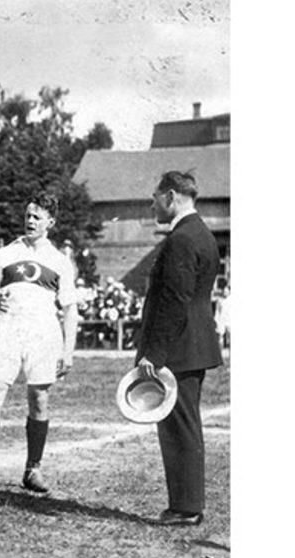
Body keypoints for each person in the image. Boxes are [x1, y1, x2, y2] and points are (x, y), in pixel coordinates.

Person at [0, 193, 77, 493]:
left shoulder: (60, 261)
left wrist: (68, 350)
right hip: (8, 328)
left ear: (51, 222)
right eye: (27, 215)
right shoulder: (6, 254)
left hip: (43, 332)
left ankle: (33, 470)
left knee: (39, 397)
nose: (30, 220)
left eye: (37, 216)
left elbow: (69, 309)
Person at [137, 171, 223, 526]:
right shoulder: (200, 233)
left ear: (171, 196)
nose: (153, 204)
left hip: (180, 347)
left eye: (155, 197)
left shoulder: (182, 239)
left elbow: (174, 301)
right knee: (183, 424)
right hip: (192, 343)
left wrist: (154, 355)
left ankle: (186, 507)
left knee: (179, 426)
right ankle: (185, 504)